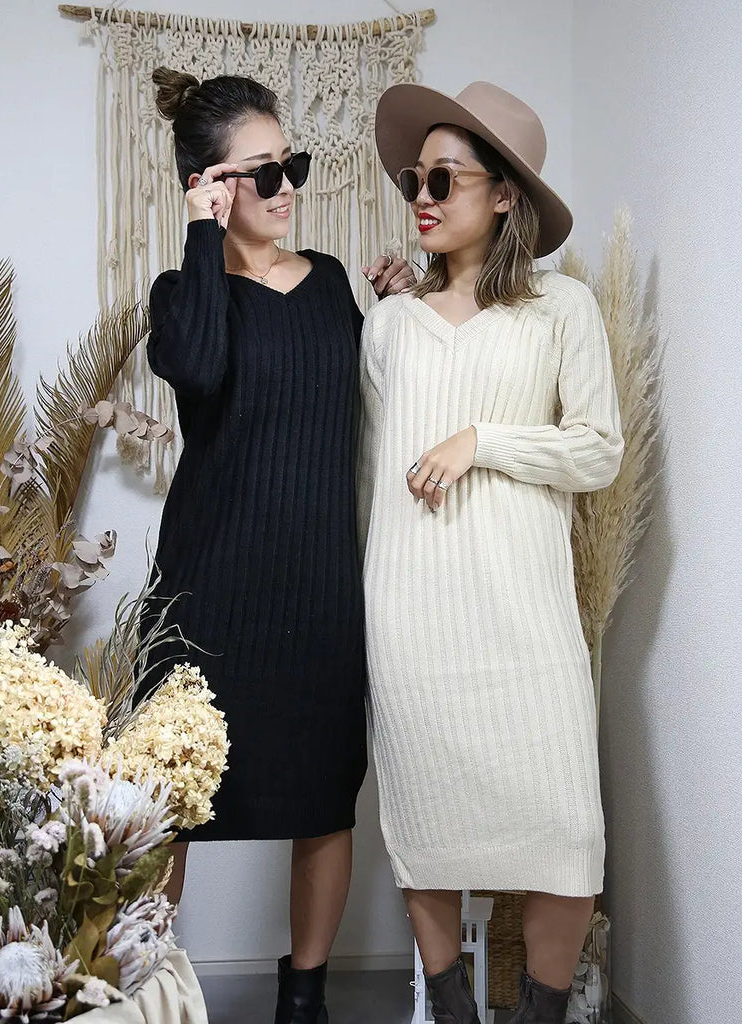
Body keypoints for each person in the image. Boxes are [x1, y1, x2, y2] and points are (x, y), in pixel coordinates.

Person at [145, 67, 415, 1024]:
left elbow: (377, 402)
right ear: (211, 186)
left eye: (289, 163)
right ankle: (143, 986)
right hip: (210, 586)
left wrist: (399, 309)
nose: (287, 185)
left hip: (317, 588)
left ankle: (304, 996)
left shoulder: (331, 283)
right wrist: (201, 235)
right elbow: (200, 368)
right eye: (261, 172)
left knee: (322, 797)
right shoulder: (181, 294)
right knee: (167, 797)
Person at [358, 81, 624, 1024]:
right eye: (413, 180)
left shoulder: (562, 308)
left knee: (566, 834)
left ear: (504, 194)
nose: (421, 197)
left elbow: (598, 450)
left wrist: (485, 440)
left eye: (444, 178)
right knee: (426, 825)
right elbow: (371, 475)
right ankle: (453, 1008)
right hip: (411, 609)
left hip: (523, 612)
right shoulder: (389, 323)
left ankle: (538, 1015)